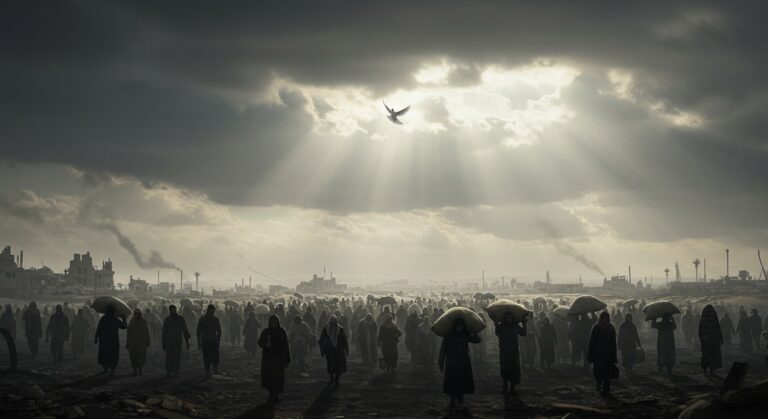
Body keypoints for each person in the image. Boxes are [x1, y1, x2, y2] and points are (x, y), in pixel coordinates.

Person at [440, 318, 481, 410]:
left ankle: (460, 400)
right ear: (455, 326)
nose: (460, 328)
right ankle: (452, 400)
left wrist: (474, 332)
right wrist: (441, 361)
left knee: (462, 382)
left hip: (463, 362)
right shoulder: (448, 336)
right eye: (458, 326)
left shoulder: (466, 335)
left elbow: (478, 340)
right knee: (451, 382)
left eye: (461, 326)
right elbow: (443, 349)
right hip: (452, 362)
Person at [258, 315, 290, 403]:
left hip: (279, 358)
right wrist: (265, 345)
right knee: (268, 376)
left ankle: (275, 395)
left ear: (278, 322)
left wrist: (287, 359)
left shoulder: (282, 331)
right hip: (268, 358)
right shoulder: (266, 331)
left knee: (278, 377)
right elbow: (260, 341)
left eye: (275, 322)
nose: (273, 323)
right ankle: (271, 393)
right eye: (272, 322)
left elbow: (285, 345)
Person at [495, 311, 526, 396]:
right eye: (507, 317)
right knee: (505, 369)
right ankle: (505, 385)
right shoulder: (501, 327)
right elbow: (497, 333)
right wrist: (495, 323)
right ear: (504, 318)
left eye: (510, 317)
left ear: (512, 318)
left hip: (514, 351)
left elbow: (524, 333)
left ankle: (512, 387)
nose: (508, 319)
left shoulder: (515, 326)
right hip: (504, 351)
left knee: (514, 370)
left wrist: (524, 324)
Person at [587, 312, 617, 395]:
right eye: (604, 318)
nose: (606, 320)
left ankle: (606, 388)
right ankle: (599, 383)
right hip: (598, 354)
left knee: (607, 373)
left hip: (608, 355)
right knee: (597, 372)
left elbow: (613, 344)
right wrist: (590, 355)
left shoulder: (611, 328)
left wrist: (614, 356)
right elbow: (592, 342)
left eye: (607, 318)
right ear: (601, 318)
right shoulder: (596, 328)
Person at [94, 305, 127, 375]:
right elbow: (124, 326)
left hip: (104, 341)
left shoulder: (103, 319)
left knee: (105, 354)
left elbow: (98, 329)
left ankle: (105, 369)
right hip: (113, 341)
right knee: (113, 355)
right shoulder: (115, 319)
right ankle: (112, 369)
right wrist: (124, 319)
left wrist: (96, 337)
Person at [319, 315, 349, 385]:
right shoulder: (326, 328)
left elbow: (344, 340)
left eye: (334, 323)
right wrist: (322, 349)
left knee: (338, 364)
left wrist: (346, 348)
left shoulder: (340, 329)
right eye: (332, 323)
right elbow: (322, 340)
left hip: (338, 349)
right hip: (329, 349)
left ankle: (336, 377)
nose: (333, 325)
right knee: (331, 363)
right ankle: (332, 377)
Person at [162, 305, 190, 378]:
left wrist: (187, 341)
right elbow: (164, 332)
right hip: (169, 340)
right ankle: (169, 371)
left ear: (176, 310)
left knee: (177, 356)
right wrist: (163, 342)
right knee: (168, 357)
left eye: (173, 310)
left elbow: (185, 330)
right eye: (171, 310)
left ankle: (176, 371)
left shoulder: (180, 319)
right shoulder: (167, 319)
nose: (172, 311)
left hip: (177, 340)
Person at [197, 304, 222, 376]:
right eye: (211, 311)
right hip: (205, 341)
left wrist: (218, 340)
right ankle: (208, 372)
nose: (212, 312)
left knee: (215, 357)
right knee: (206, 357)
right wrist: (198, 342)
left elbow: (219, 331)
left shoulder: (215, 319)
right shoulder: (202, 319)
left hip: (213, 341)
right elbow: (198, 332)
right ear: (208, 310)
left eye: (213, 311)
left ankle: (215, 371)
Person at [698, 305, 723, 376]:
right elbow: (718, 328)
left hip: (706, 341)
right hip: (713, 341)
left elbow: (700, 330)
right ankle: (711, 370)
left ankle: (706, 370)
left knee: (706, 355)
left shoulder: (703, 319)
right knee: (713, 355)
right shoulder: (714, 319)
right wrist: (720, 338)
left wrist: (701, 338)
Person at [126, 308, 151, 376]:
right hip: (133, 343)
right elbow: (128, 333)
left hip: (142, 343)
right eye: (135, 314)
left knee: (141, 357)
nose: (136, 315)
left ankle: (140, 369)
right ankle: (135, 370)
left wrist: (148, 341)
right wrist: (127, 343)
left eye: (138, 314)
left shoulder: (144, 322)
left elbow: (147, 332)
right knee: (133, 357)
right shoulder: (132, 322)